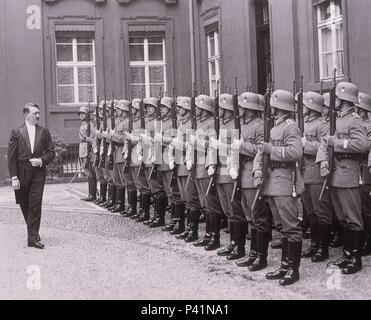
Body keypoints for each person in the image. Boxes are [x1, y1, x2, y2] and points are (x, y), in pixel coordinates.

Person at [253, 89, 304, 286]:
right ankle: (285, 265)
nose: (271, 109)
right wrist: (258, 169)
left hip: (284, 181)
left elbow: (295, 153)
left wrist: (270, 150)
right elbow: (262, 151)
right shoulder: (275, 126)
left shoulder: (290, 127)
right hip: (272, 181)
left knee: (291, 226)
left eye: (273, 105)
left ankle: (293, 269)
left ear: (280, 106)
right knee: (281, 226)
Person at [317, 82, 369, 274]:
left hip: (348, 173)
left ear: (345, 99)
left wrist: (337, 143)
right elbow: (326, 142)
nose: (334, 101)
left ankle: (354, 258)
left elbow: (362, 145)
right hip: (335, 173)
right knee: (342, 217)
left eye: (337, 98)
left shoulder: (354, 120)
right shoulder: (337, 119)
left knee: (353, 217)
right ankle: (347, 253)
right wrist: (323, 160)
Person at [8, 103, 55, 249]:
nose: (38, 116)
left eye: (39, 113)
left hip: (38, 174)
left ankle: (32, 238)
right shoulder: (16, 132)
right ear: (27, 114)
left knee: (35, 204)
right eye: (35, 113)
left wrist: (41, 161)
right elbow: (11, 156)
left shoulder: (44, 132)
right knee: (24, 204)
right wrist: (14, 177)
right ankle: (33, 231)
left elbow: (51, 152)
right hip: (21, 174)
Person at [300, 92, 332, 262]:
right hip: (304, 173)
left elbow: (325, 146)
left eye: (305, 105)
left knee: (322, 212)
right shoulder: (302, 123)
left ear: (312, 107)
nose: (302, 108)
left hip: (317, 173)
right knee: (310, 212)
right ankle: (314, 244)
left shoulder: (322, 125)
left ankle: (323, 248)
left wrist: (307, 145)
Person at [354, 91, 371, 256]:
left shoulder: (369, 127)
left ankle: (368, 239)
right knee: (356, 206)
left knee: (366, 207)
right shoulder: (356, 125)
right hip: (355, 168)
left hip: (365, 168)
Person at [78, 105, 96, 202]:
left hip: (88, 151)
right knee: (87, 172)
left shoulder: (90, 125)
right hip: (82, 150)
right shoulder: (82, 125)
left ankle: (92, 195)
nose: (81, 115)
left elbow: (93, 139)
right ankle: (90, 194)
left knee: (90, 173)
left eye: (83, 113)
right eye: (80, 114)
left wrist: (87, 140)